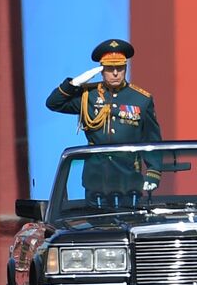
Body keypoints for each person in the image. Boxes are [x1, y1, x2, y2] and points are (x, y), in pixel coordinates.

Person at [45, 39, 162, 206]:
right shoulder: (88, 96)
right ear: (101, 70)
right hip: (96, 176)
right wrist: (73, 84)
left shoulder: (141, 99)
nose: (115, 73)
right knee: (96, 225)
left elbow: (152, 138)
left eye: (119, 68)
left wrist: (153, 171)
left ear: (125, 68)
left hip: (128, 176)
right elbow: (53, 103)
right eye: (109, 68)